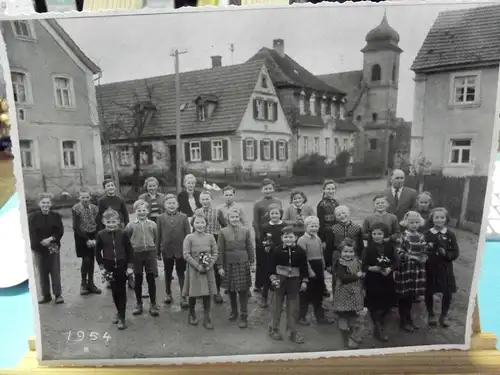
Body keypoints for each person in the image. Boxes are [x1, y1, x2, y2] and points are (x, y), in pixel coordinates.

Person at [268, 226, 309, 344]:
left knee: (293, 307)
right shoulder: (277, 250)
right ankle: (273, 328)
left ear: (296, 237)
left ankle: (293, 332)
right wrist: (273, 279)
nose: (288, 239)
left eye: (291, 236)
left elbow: (304, 267)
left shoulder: (300, 251)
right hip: (280, 280)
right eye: (285, 237)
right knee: (277, 305)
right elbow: (271, 266)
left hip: (294, 280)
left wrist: (305, 281)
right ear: (281, 238)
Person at [95, 208, 134, 330]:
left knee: (121, 291)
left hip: (122, 266)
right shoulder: (101, 235)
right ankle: (118, 311)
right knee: (114, 291)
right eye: (108, 222)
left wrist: (130, 267)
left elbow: (130, 251)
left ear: (118, 222)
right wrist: (102, 267)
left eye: (113, 222)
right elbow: (97, 253)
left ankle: (122, 317)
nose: (111, 225)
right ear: (104, 222)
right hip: (109, 267)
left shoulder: (123, 234)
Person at [217, 208, 255, 328]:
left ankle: (244, 315)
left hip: (243, 263)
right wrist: (220, 266)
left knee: (243, 291)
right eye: (232, 217)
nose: (235, 219)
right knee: (231, 290)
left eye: (236, 217)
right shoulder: (222, 232)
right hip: (229, 264)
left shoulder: (245, 230)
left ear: (239, 218)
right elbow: (220, 251)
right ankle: (234, 312)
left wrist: (252, 262)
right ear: (228, 219)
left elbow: (249, 246)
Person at [362, 222, 399, 342]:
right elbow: (363, 265)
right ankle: (377, 328)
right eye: (374, 234)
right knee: (374, 305)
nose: (377, 236)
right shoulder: (368, 249)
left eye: (379, 234)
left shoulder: (390, 247)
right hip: (373, 280)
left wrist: (390, 268)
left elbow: (396, 261)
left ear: (384, 235)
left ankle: (382, 322)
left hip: (387, 279)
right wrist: (371, 268)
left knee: (387, 304)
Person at [182, 212, 219, 329]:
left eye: (202, 222)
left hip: (208, 269)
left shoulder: (210, 237)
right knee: (194, 291)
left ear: (206, 224)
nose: (200, 225)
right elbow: (186, 254)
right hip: (194, 269)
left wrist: (209, 265)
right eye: (197, 222)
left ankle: (207, 317)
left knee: (207, 293)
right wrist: (197, 266)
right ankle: (192, 313)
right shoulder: (189, 238)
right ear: (193, 224)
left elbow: (215, 252)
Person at [424, 207, 459, 328]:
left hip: (445, 268)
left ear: (446, 219)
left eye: (442, 217)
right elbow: (423, 250)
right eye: (436, 217)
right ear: (432, 219)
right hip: (431, 267)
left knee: (447, 292)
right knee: (429, 290)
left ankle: (443, 316)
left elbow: (455, 252)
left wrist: (446, 254)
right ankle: (431, 314)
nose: (439, 220)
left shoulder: (450, 234)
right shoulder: (427, 234)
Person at [95, 178, 133, 290]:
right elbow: (100, 216)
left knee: (123, 252)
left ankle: (130, 276)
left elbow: (125, 215)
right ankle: (109, 278)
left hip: (120, 227)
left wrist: (126, 226)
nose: (110, 187)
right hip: (108, 227)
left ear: (115, 187)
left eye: (112, 185)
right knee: (110, 254)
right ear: (105, 188)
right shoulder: (101, 201)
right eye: (108, 186)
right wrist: (102, 231)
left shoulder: (120, 200)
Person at [394, 211, 427, 332]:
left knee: (412, 296)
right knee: (404, 296)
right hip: (405, 269)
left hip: (417, 269)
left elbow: (424, 250)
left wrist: (424, 257)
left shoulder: (421, 236)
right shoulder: (403, 236)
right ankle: (403, 320)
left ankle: (409, 319)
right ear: (406, 223)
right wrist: (411, 257)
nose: (414, 225)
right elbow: (398, 252)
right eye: (411, 222)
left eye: (416, 222)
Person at [28, 192, 65, 305]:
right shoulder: (33, 217)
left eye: (48, 203)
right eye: (43, 203)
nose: (45, 205)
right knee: (42, 271)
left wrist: (50, 239)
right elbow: (32, 232)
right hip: (38, 248)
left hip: (53, 246)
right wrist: (40, 242)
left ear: (51, 204)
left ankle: (58, 294)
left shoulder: (55, 216)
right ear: (39, 204)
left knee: (55, 271)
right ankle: (46, 295)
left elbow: (59, 231)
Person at [125, 199, 159, 317]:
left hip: (150, 253)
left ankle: (153, 303)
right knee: (138, 278)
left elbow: (155, 238)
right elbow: (127, 239)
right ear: (135, 211)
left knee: (151, 278)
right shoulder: (131, 225)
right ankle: (138, 303)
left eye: (144, 210)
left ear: (148, 211)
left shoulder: (153, 224)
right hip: (136, 254)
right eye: (139, 210)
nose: (141, 212)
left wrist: (154, 250)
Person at [156, 194, 191, 308]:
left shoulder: (184, 217)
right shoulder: (160, 218)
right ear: (164, 205)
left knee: (181, 273)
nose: (171, 205)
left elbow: (188, 235)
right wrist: (157, 251)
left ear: (177, 204)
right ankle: (168, 293)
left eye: (173, 203)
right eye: (169, 203)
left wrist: (188, 250)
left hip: (180, 250)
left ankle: (183, 296)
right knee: (167, 272)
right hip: (167, 250)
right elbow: (158, 236)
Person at [297, 216, 331, 325]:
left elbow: (321, 253)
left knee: (319, 292)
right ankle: (301, 316)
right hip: (308, 267)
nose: (314, 228)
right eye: (312, 226)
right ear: (306, 227)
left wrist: (323, 266)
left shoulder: (318, 238)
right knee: (306, 294)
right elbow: (303, 258)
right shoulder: (302, 240)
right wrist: (309, 270)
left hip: (318, 267)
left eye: (316, 226)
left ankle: (320, 316)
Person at [332, 238, 365, 349]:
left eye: (351, 252)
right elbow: (343, 278)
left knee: (352, 314)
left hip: (354, 292)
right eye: (345, 252)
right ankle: (345, 338)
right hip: (343, 293)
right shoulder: (340, 263)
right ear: (341, 252)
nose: (348, 254)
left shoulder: (356, 262)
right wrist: (357, 276)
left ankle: (353, 335)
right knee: (343, 315)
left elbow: (361, 274)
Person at [252, 178, 282, 293]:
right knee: (262, 260)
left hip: (275, 234)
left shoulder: (278, 201)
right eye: (265, 188)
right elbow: (255, 222)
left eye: (270, 188)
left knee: (273, 259)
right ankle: (259, 283)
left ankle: (272, 282)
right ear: (261, 190)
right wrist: (260, 237)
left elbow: (281, 217)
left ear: (273, 189)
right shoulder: (258, 203)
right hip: (262, 234)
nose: (268, 190)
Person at [327, 205, 363, 297]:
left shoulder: (357, 228)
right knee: (338, 279)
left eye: (344, 213)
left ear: (348, 213)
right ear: (336, 217)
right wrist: (329, 264)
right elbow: (329, 247)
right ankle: (338, 302)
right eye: (339, 215)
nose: (342, 216)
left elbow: (360, 245)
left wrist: (360, 258)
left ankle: (353, 302)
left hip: (353, 256)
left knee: (353, 277)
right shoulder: (332, 229)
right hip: (337, 256)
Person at [72, 188, 101, 296]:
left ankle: (91, 283)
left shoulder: (94, 208)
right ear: (79, 198)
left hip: (93, 235)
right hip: (82, 237)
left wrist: (95, 239)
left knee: (92, 260)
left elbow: (98, 224)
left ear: (90, 197)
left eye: (87, 197)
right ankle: (83, 283)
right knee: (86, 260)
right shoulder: (76, 209)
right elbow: (76, 227)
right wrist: (87, 240)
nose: (85, 199)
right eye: (83, 197)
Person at [197, 190, 224, 304]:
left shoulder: (217, 211)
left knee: (216, 266)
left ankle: (216, 291)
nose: (205, 201)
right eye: (203, 199)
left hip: (215, 240)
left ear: (211, 199)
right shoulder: (197, 212)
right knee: (203, 265)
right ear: (199, 200)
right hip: (202, 241)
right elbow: (194, 227)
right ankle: (203, 290)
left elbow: (225, 225)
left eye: (207, 199)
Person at [259, 203, 287, 308]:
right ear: (269, 214)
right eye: (272, 213)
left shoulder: (284, 226)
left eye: (276, 213)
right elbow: (262, 239)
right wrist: (265, 245)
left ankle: (280, 299)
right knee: (268, 275)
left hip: (281, 253)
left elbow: (287, 237)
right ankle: (264, 297)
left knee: (280, 275)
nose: (274, 215)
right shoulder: (265, 226)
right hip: (269, 254)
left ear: (280, 214)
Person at [316, 179, 339, 298]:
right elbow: (320, 223)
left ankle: (337, 287)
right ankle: (323, 287)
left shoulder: (336, 202)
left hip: (336, 234)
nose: (330, 191)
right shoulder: (321, 205)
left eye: (333, 189)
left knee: (335, 260)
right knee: (325, 262)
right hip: (326, 234)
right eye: (328, 189)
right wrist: (322, 240)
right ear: (324, 190)